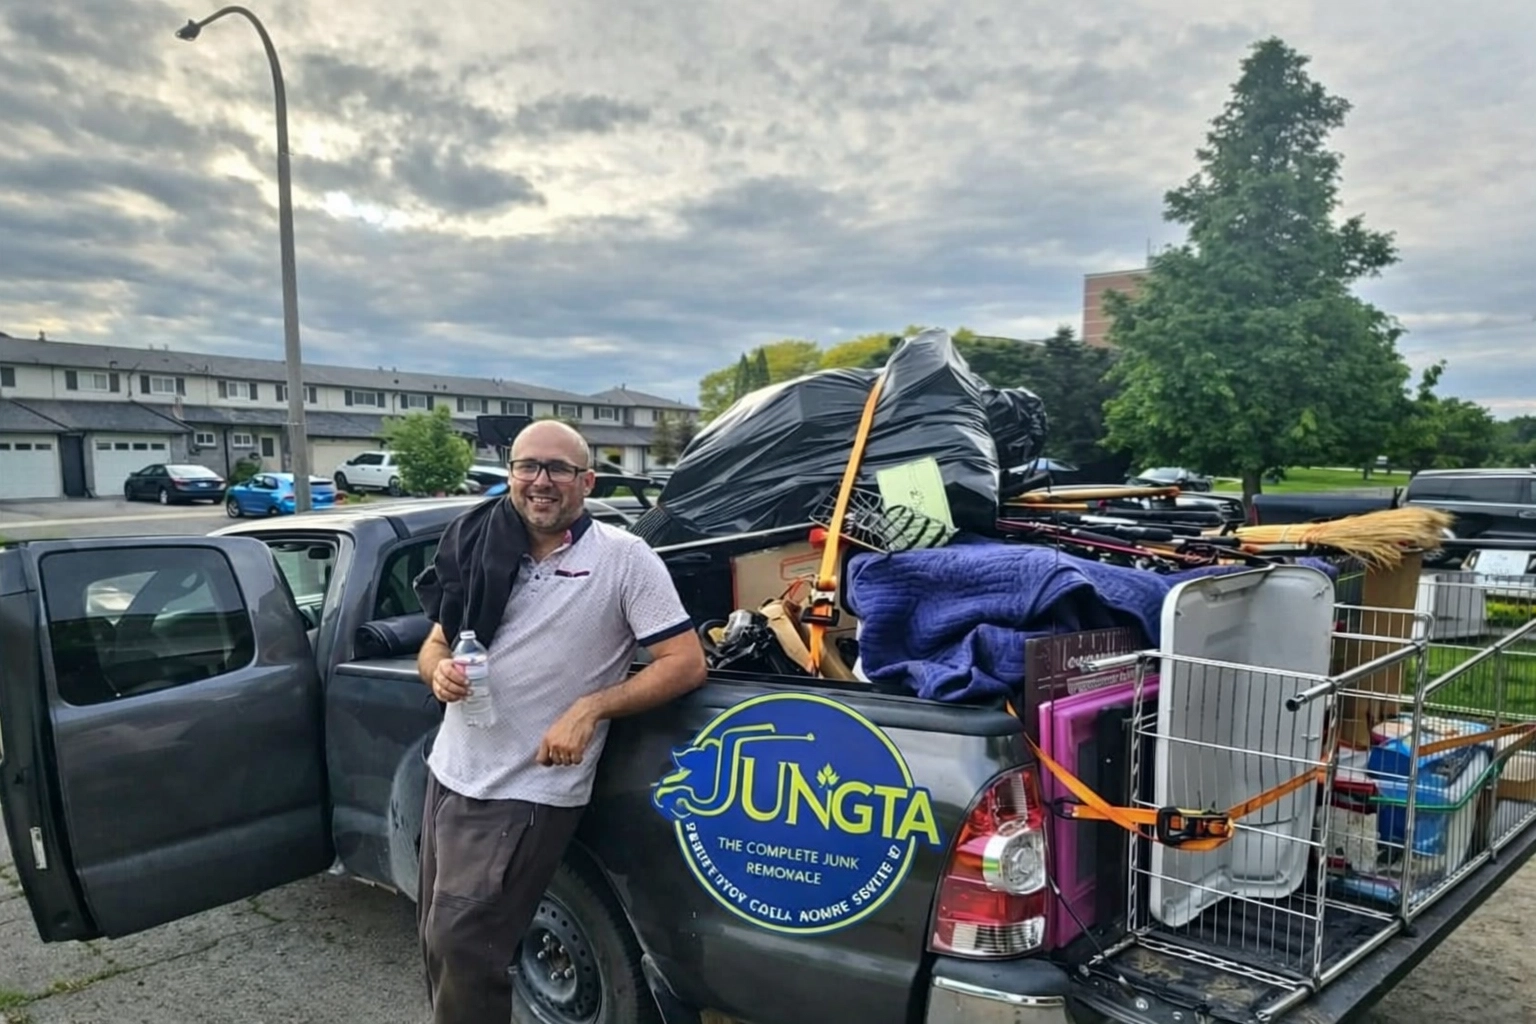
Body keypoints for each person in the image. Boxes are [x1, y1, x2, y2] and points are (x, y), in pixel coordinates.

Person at [411, 419, 706, 1024]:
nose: (541, 481)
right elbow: (435, 643)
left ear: (586, 481)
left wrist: (590, 707)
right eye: (528, 467)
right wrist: (437, 671)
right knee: (438, 941)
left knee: (464, 947)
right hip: (451, 773)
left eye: (559, 469)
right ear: (510, 475)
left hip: (527, 787)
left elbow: (686, 662)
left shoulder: (623, 560)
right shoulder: (479, 546)